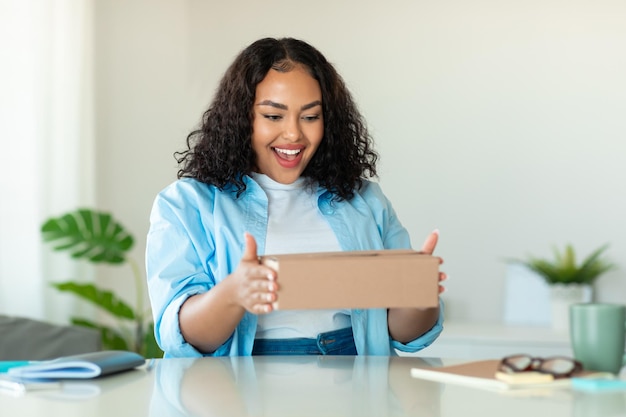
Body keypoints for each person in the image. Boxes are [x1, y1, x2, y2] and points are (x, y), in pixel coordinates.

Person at [146, 37, 446, 357]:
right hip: (243, 386)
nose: (294, 134)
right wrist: (232, 294)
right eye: (273, 116)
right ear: (241, 118)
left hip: (356, 375)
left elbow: (404, 333)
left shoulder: (365, 200)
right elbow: (179, 337)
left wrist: (418, 296)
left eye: (310, 116)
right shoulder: (185, 205)